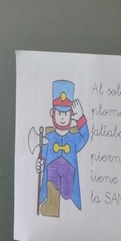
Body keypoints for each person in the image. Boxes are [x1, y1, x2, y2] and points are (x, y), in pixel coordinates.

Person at [36, 80, 89, 217]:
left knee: (67, 196)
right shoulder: (49, 137)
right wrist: (40, 163)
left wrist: (81, 118)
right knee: (52, 181)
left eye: (65, 114)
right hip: (52, 186)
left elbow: (85, 136)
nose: (62, 118)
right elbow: (43, 155)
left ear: (71, 115)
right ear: (52, 113)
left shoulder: (74, 138)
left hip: (68, 191)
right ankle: (50, 203)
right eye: (59, 114)